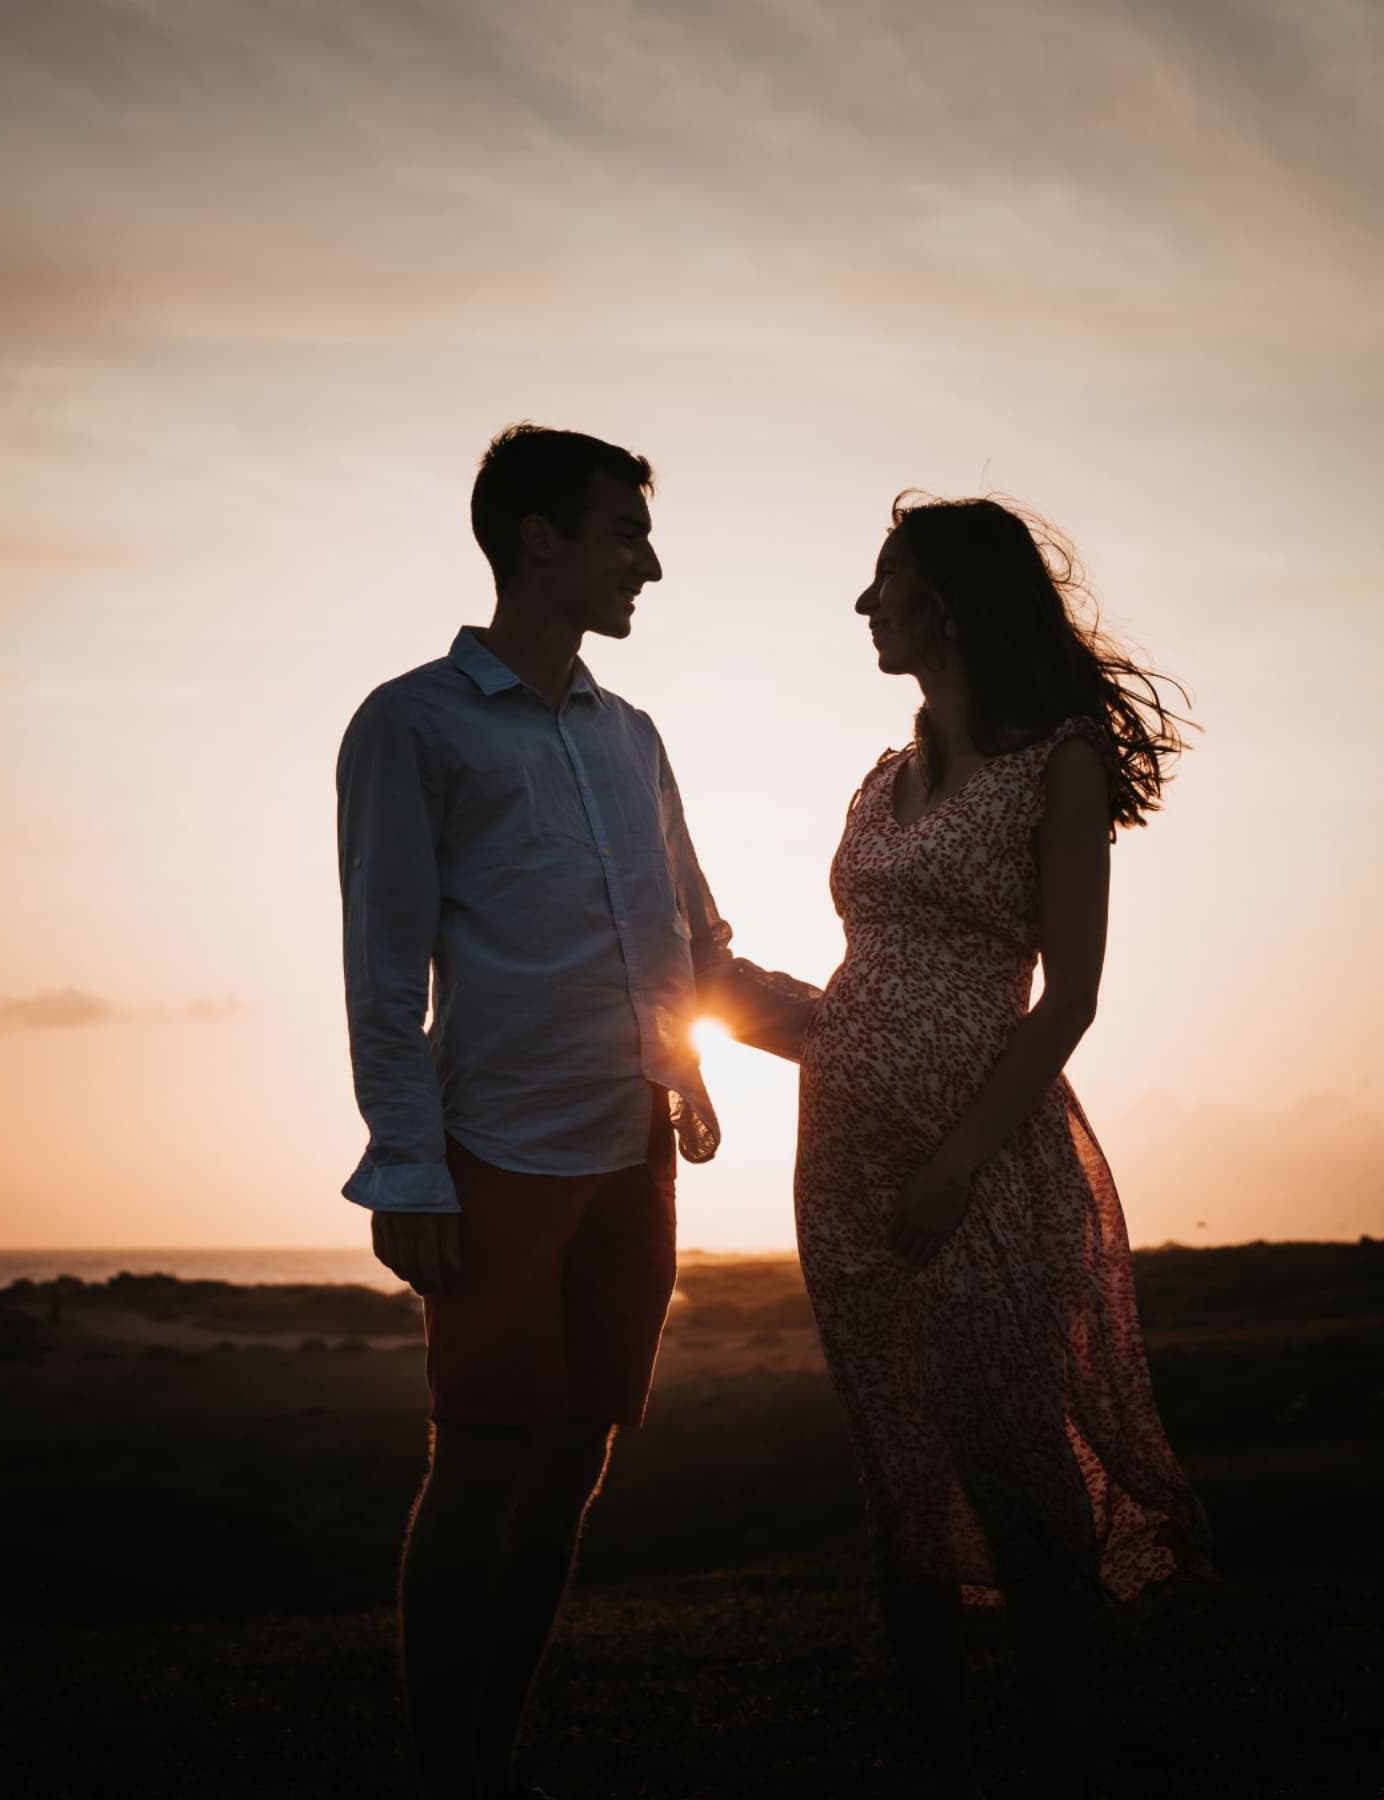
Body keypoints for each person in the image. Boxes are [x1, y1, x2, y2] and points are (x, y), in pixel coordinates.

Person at [335, 424, 809, 1800]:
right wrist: (407, 1170)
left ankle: (501, 1750)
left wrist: (816, 1043)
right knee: (482, 1459)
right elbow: (382, 973)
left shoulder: (632, 736)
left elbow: (691, 944)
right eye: (624, 534)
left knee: (578, 1463)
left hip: (632, 1151)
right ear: (539, 540)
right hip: (493, 1156)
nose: (648, 565)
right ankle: (449, 1770)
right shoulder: (410, 724)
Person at [788, 494, 1213, 1799]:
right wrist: (714, 988)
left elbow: (1070, 995)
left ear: (951, 599)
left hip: (975, 1159)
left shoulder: (1058, 761)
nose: (865, 605)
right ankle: (942, 1763)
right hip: (839, 1159)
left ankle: (1060, 1759)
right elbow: (858, 989)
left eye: (885, 579)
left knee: (1017, 1470)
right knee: (895, 1468)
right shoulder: (883, 772)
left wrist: (962, 1156)